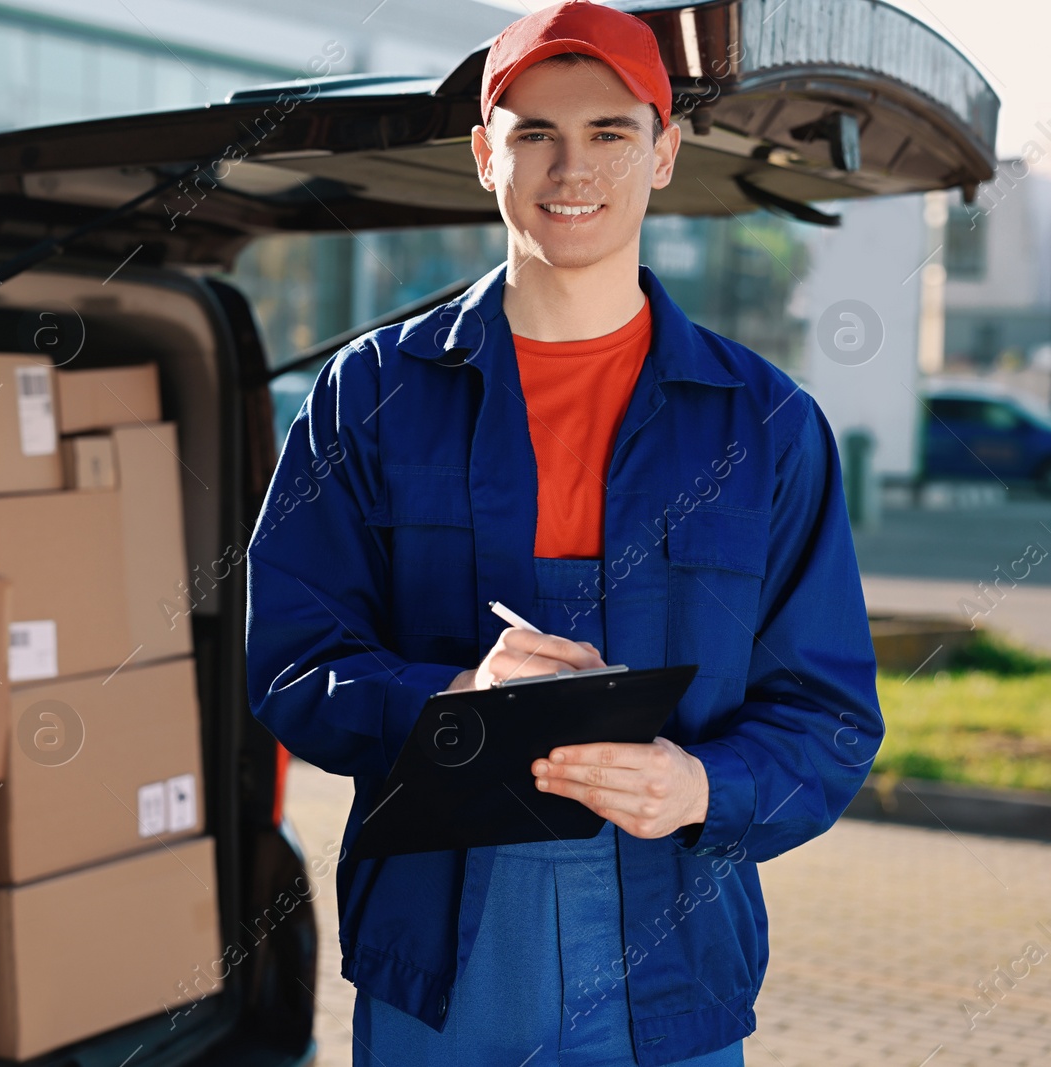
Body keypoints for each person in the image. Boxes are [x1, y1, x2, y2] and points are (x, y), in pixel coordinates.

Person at [243, 2, 884, 1064]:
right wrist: (449, 701)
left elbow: (827, 714)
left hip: (668, 948)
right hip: (441, 953)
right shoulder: (370, 394)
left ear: (664, 153)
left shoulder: (763, 424)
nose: (568, 165)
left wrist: (702, 786)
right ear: (483, 153)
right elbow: (293, 664)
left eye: (607, 133)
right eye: (533, 130)